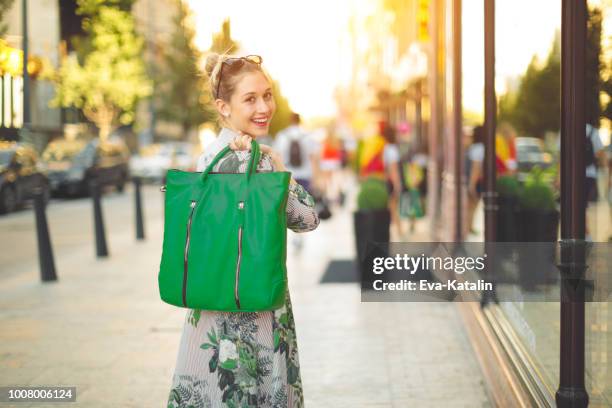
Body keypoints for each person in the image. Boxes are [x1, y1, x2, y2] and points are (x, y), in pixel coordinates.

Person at [166, 53, 319, 408]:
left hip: (209, 309)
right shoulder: (261, 162)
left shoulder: (207, 158)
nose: (264, 106)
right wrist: (280, 169)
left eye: (267, 95)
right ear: (223, 106)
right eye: (250, 99)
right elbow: (308, 219)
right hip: (256, 309)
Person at [466, 125, 485, 236]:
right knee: (473, 206)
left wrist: (471, 184)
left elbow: (475, 168)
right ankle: (470, 227)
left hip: (475, 181)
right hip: (479, 180)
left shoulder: (476, 148)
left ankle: (469, 227)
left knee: (471, 206)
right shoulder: (483, 147)